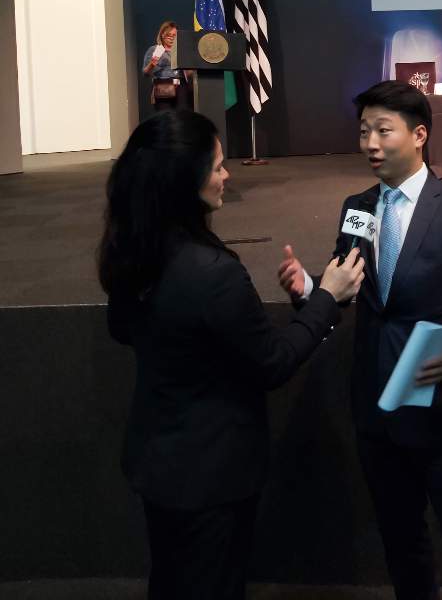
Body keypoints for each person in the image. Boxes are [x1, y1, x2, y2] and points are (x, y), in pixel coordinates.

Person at [98, 110, 364, 600]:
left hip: (158, 463)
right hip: (211, 476)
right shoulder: (214, 273)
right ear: (185, 180)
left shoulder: (134, 248)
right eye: (217, 166)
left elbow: (124, 329)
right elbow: (273, 362)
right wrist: (327, 296)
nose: (227, 176)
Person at [278, 81, 442, 600]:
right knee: (402, 547)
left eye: (384, 131)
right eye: (364, 132)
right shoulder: (357, 207)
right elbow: (346, 285)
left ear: (419, 134)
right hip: (378, 411)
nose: (370, 144)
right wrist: (309, 291)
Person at [142, 20, 193, 111]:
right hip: (163, 87)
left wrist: (188, 68)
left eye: (174, 35)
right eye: (169, 35)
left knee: (182, 114)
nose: (172, 38)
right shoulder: (154, 49)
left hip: (181, 87)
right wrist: (152, 64)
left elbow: (189, 73)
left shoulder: (181, 50)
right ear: (162, 35)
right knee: (165, 115)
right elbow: (145, 73)